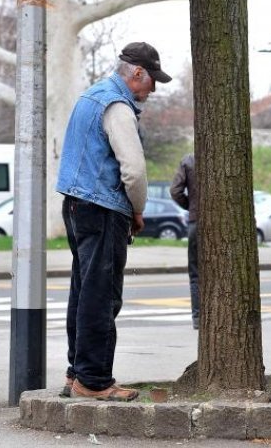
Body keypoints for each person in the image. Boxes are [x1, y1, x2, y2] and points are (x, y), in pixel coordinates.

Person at [56, 41, 172, 402]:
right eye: (152, 81)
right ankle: (94, 380)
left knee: (83, 290)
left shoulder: (91, 96)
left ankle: (77, 372)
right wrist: (137, 210)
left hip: (75, 203)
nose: (152, 90)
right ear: (137, 73)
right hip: (104, 208)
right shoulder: (117, 106)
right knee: (101, 296)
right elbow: (134, 171)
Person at [169, 153, 199, 329]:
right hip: (219, 223)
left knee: (196, 274)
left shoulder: (189, 161)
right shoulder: (221, 155)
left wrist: (190, 205)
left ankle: (198, 317)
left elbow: (175, 191)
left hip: (196, 222)